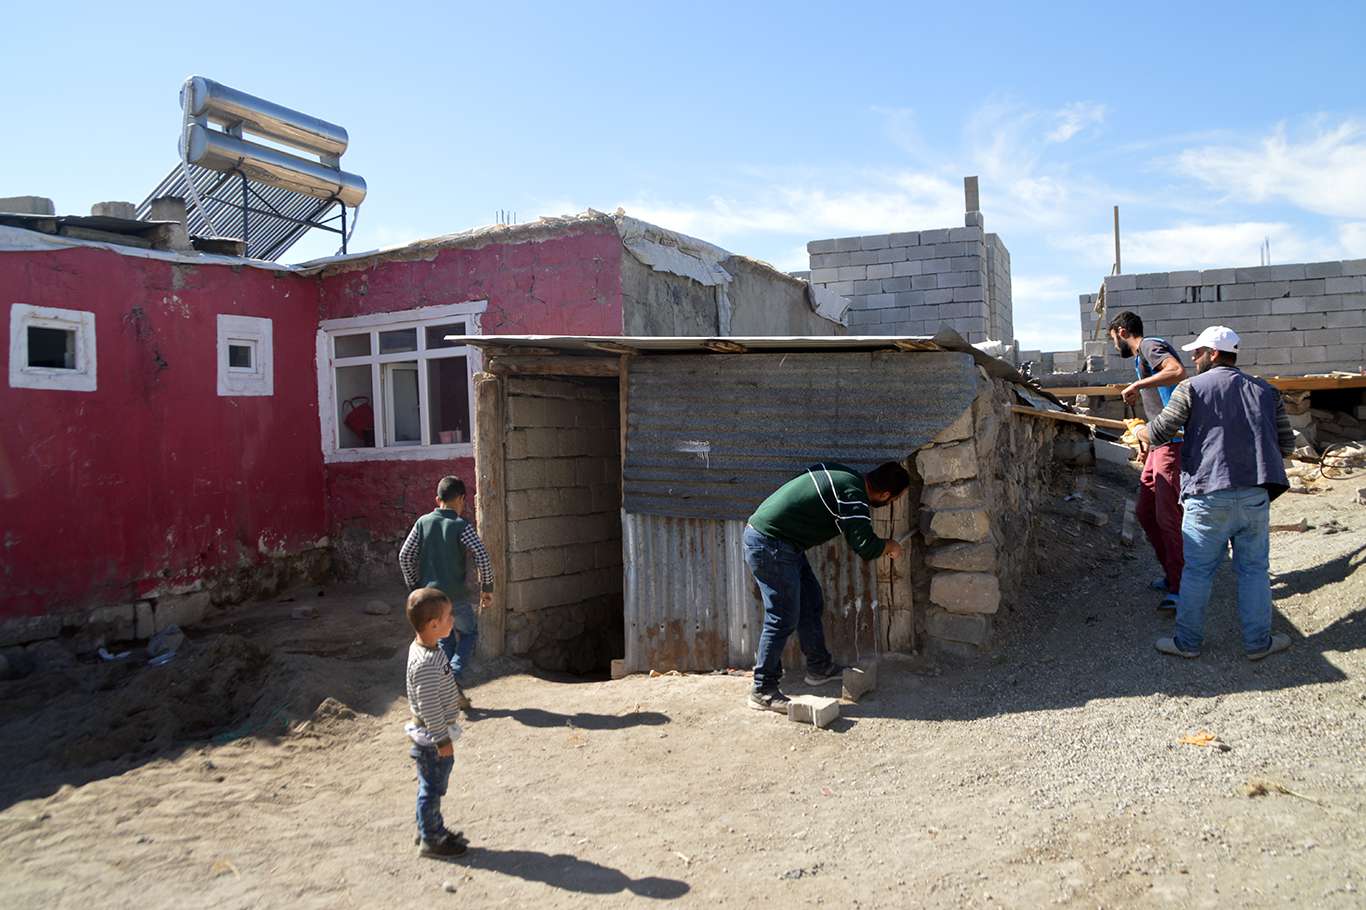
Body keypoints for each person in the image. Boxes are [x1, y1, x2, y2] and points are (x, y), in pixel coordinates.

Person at [1136, 326, 1295, 661]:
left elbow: (1161, 432)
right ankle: (1258, 643)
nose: (1194, 359)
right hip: (1254, 495)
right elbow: (1287, 445)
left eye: (1198, 352)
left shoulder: (1190, 388)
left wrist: (1141, 431)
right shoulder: (1267, 391)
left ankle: (1187, 643)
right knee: (1253, 571)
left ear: (1214, 353)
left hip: (1207, 496)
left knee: (1197, 572)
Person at [743, 461, 911, 712]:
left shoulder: (846, 476)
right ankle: (762, 689)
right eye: (894, 499)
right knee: (782, 617)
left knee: (810, 603)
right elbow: (865, 546)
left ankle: (819, 667)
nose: (891, 502)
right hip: (771, 544)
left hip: (781, 543)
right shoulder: (854, 496)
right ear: (885, 494)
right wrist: (890, 545)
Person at [1109, 310, 1189, 612]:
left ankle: (1181, 587)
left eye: (1113, 338)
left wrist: (1137, 386)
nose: (1114, 345)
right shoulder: (1140, 358)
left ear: (1121, 332)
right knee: (1146, 512)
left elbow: (1177, 371)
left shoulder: (1149, 346)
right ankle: (1172, 573)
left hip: (1174, 442)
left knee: (1168, 516)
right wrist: (1148, 443)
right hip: (1159, 444)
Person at [399, 476, 494, 711]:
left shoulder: (422, 523)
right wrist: (487, 588)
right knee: (469, 634)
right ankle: (454, 675)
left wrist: (415, 587)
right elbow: (482, 556)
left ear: (437, 500)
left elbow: (405, 556)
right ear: (461, 499)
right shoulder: (461, 525)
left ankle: (445, 689)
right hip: (456, 598)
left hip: (430, 598)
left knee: (444, 640)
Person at [404, 587, 469, 857]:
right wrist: (442, 740)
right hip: (432, 739)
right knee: (432, 789)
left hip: (433, 734)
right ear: (433, 625)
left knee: (430, 787)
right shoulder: (425, 664)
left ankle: (429, 828)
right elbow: (430, 708)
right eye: (448, 616)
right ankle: (432, 838)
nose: (452, 619)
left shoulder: (430, 648)